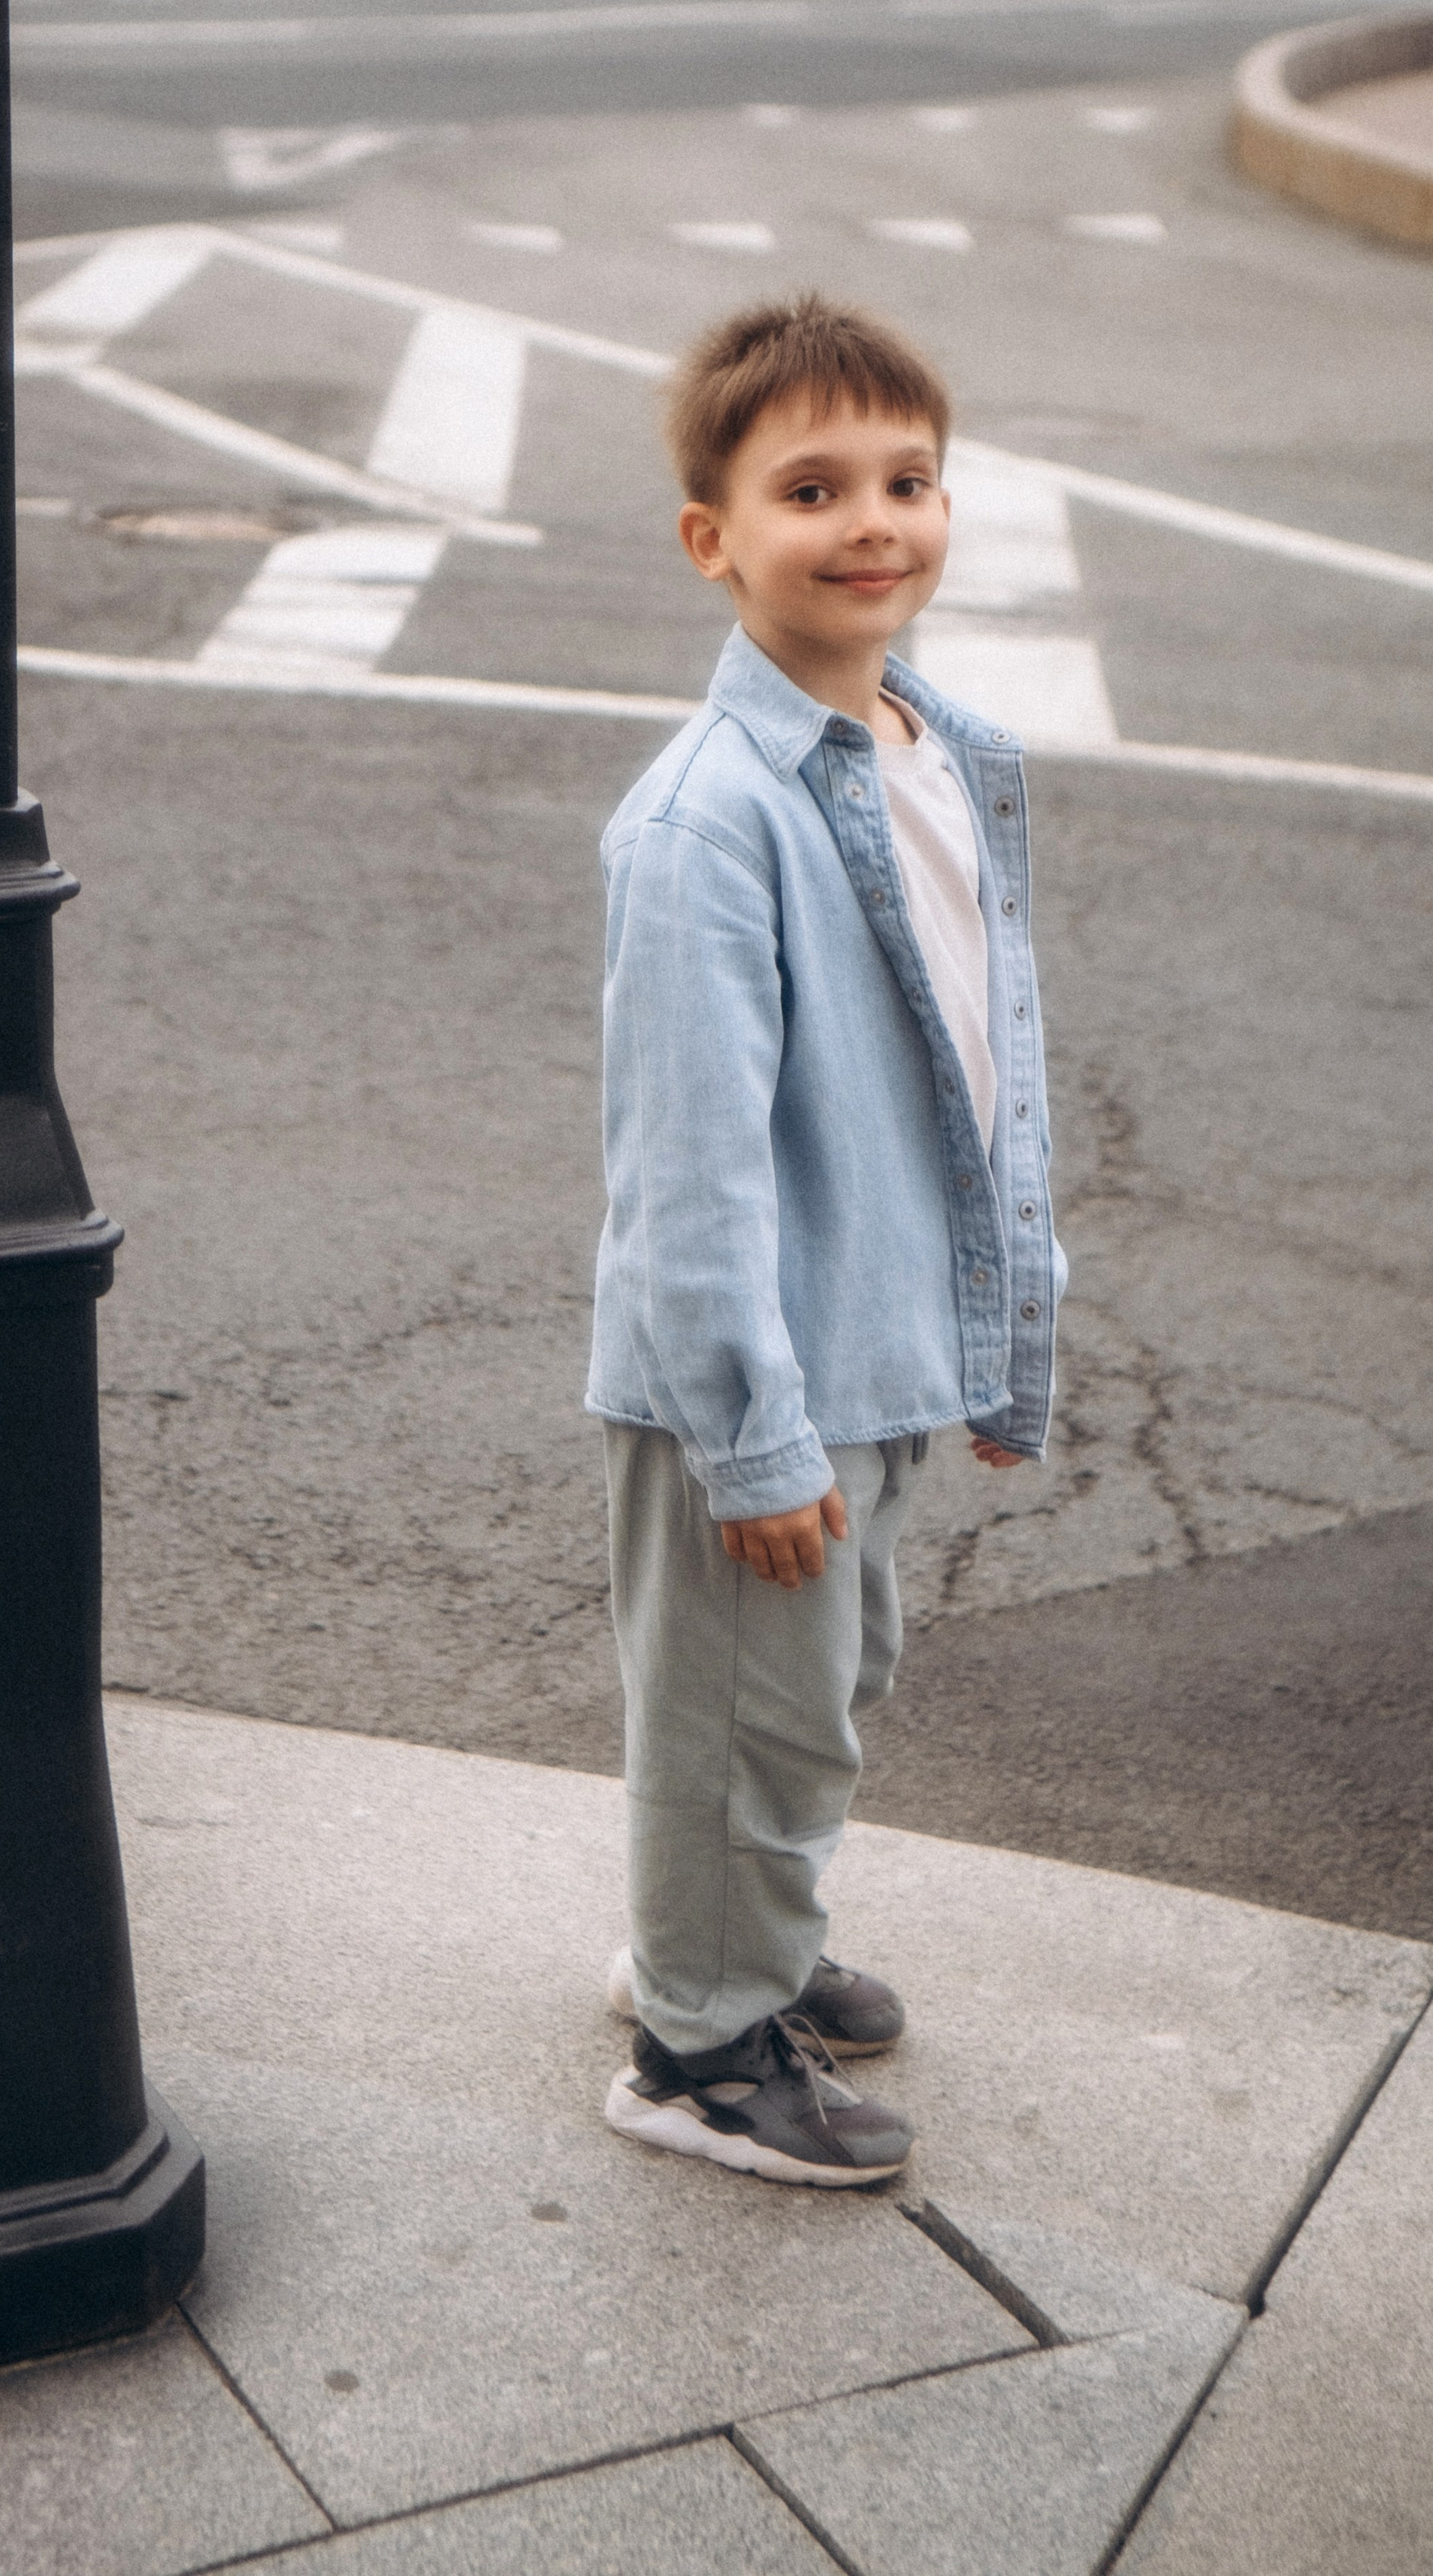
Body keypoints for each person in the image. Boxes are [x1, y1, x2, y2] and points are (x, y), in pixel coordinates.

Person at [587, 293, 1064, 2187]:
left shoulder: (944, 755)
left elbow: (982, 1057)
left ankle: (727, 1940)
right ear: (713, 540)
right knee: (742, 1717)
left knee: (812, 1694)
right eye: (809, 489)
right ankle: (691, 2051)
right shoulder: (705, 827)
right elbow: (684, 1173)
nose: (873, 522)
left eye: (905, 479)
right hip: (754, 1374)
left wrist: (1005, 1327)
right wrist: (748, 1435)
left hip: (872, 1331)